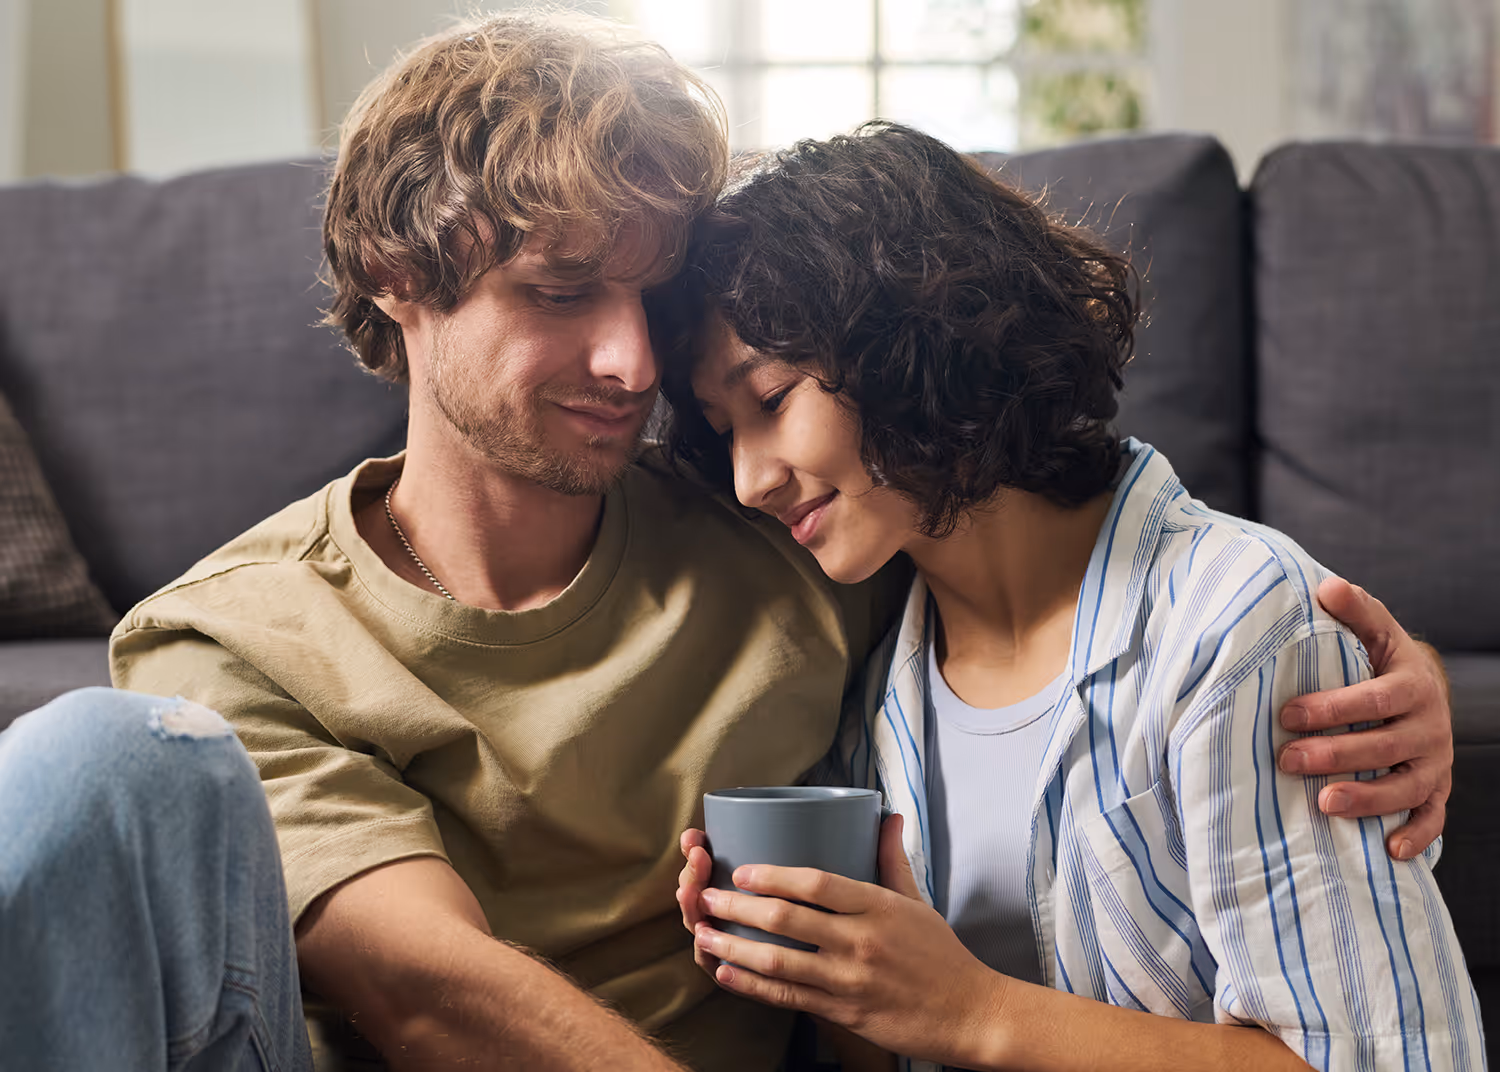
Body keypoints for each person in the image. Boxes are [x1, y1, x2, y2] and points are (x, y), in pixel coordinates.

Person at [0, 13, 1455, 1072]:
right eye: (564, 291)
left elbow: (1049, 578)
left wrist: (1351, 675)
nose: (628, 363)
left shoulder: (795, 550)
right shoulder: (230, 642)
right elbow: (433, 994)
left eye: (650, 298)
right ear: (401, 282)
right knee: (93, 761)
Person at [666, 122, 1481, 1071]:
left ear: (908, 342)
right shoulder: (867, 665)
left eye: (768, 400)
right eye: (723, 431)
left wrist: (971, 1011)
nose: (748, 481)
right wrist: (823, 969)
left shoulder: (1236, 627)